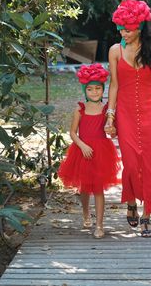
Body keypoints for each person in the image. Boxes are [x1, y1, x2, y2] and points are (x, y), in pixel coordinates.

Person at [105, 0, 151, 238]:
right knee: (132, 164)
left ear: (141, 27)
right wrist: (110, 116)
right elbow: (113, 85)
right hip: (124, 114)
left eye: (130, 28)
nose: (125, 32)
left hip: (150, 113)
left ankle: (147, 214)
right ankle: (131, 200)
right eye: (122, 28)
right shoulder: (115, 50)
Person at [58, 63, 120, 239]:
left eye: (98, 89)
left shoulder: (107, 109)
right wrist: (82, 145)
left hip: (101, 151)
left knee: (98, 188)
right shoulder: (80, 109)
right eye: (90, 89)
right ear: (85, 90)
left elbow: (112, 130)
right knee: (85, 188)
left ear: (103, 89)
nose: (94, 92)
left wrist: (112, 129)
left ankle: (100, 225)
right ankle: (86, 213)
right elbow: (72, 132)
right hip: (83, 151)